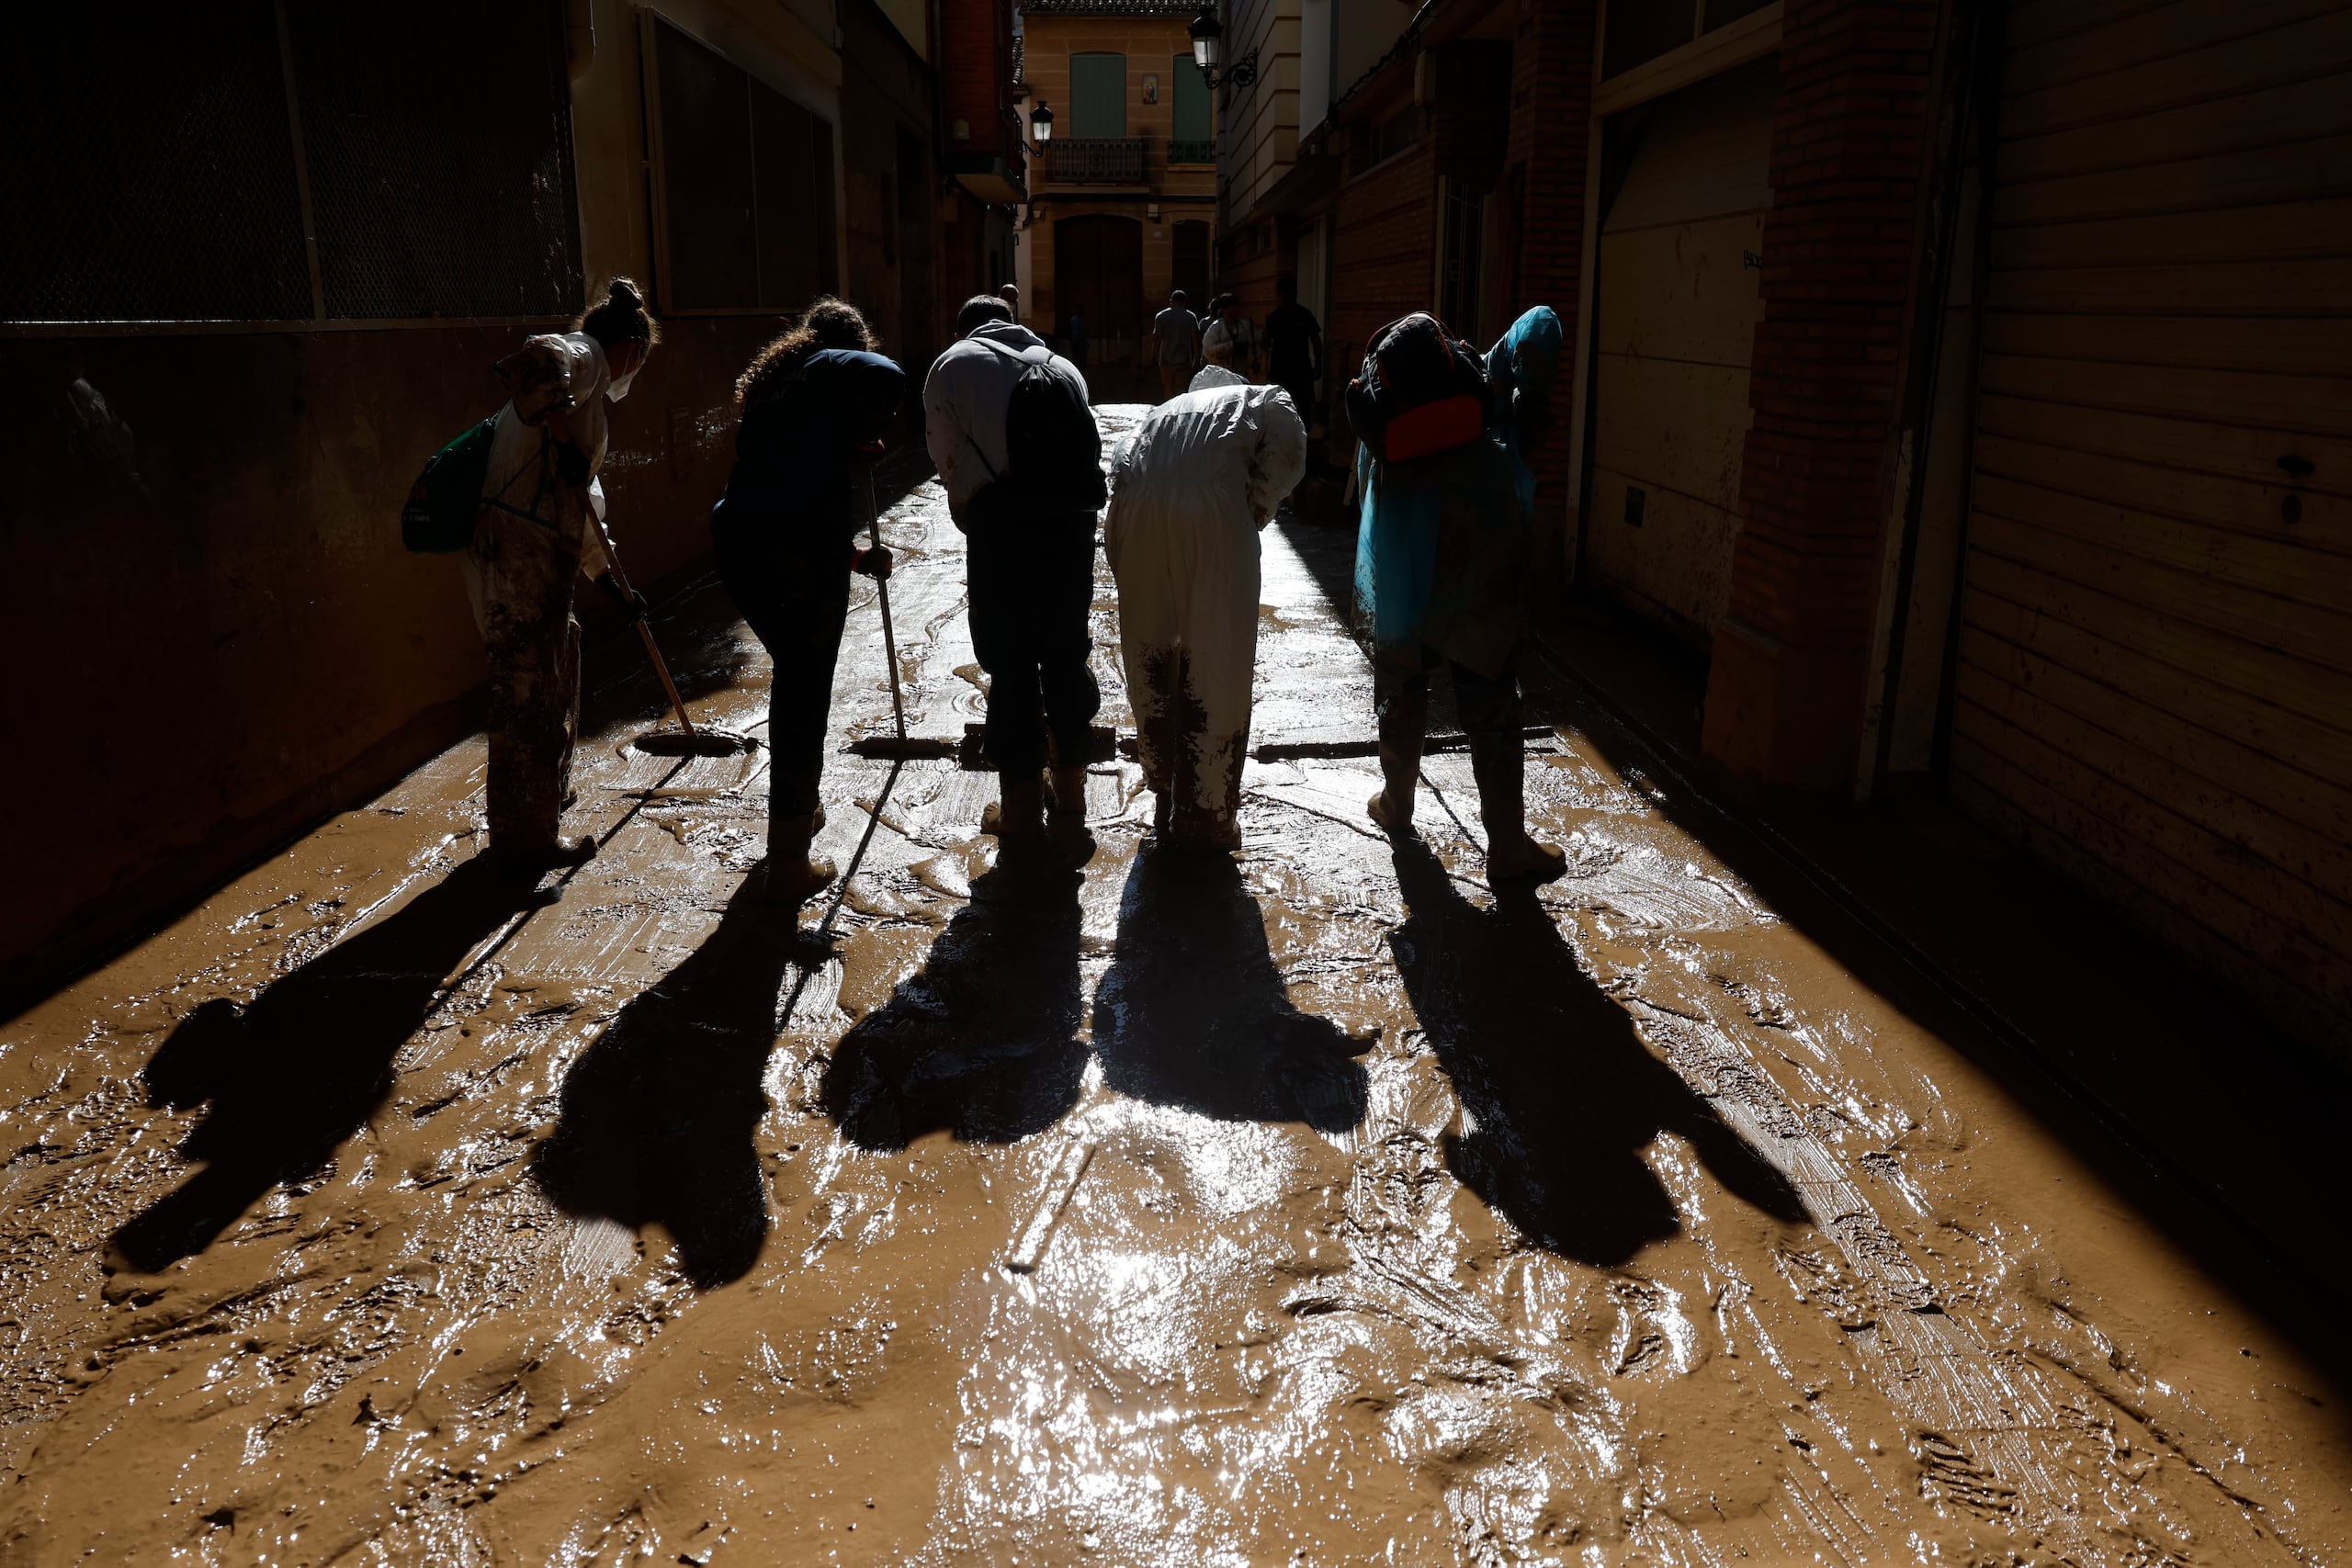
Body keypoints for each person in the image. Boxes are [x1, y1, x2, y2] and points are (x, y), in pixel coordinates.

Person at [1354, 311, 1566, 884]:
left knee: (1402, 683)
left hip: (1405, 570)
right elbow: (1539, 327)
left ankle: (1397, 803)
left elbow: (1366, 495)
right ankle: (1506, 849)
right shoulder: (1476, 378)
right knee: (1491, 696)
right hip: (1478, 561)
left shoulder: (1383, 411)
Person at [708, 299, 904, 901]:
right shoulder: (833, 369)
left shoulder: (781, 386)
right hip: (786, 550)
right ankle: (789, 858)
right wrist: (868, 427)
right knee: (803, 690)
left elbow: (790, 499)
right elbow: (888, 376)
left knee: (796, 672)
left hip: (741, 544)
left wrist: (851, 557)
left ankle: (800, 808)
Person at [469, 276, 658, 874]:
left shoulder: (591, 394)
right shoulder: (585, 356)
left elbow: (584, 512)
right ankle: (523, 843)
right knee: (528, 693)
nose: (636, 368)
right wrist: (559, 435)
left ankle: (541, 806)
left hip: (534, 549)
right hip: (518, 549)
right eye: (642, 358)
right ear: (630, 346)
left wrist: (612, 586)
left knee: (558, 660)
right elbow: (536, 357)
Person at [924, 294, 1108, 860]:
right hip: (1071, 534)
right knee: (1064, 655)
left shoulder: (952, 365)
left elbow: (953, 470)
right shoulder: (1064, 367)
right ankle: (1072, 806)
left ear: (965, 329)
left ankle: (1022, 810)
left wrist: (984, 522)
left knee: (1011, 664)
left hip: (1003, 533)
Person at [1107, 374, 1305, 850]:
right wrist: (1258, 504)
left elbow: (1121, 468)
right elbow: (1289, 447)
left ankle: (1163, 780)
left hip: (1137, 512)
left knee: (1150, 651)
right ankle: (1208, 815)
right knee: (1217, 658)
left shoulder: (1159, 414)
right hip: (1213, 512)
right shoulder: (1258, 398)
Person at [1264, 276, 1321, 431]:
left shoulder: (1304, 315)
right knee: (1280, 406)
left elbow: (1316, 340)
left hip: (1300, 370)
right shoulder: (1274, 318)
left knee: (1303, 407)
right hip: (1281, 371)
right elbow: (1265, 346)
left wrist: (1318, 364)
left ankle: (1303, 438)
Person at [1148, 289, 1201, 400]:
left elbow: (1157, 338)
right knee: (1181, 392)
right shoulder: (1191, 317)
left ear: (1171, 301)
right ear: (1185, 302)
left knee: (1168, 390)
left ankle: (1169, 414)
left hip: (1166, 360)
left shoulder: (1161, 316)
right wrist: (1196, 357)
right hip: (1184, 360)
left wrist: (1153, 356)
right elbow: (1195, 338)